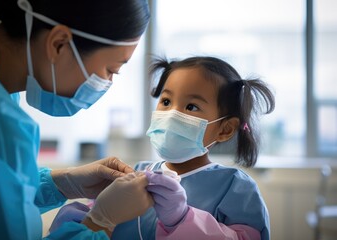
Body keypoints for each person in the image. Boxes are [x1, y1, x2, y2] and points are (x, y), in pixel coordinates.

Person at [0, 0, 152, 239]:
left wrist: (63, 183)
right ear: (58, 44)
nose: (108, 83)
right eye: (111, 69)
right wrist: (101, 221)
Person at [54, 56, 275, 239]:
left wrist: (182, 218)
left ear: (225, 129)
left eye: (191, 106)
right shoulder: (138, 172)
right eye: (166, 101)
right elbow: (88, 227)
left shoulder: (235, 187)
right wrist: (95, 212)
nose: (171, 114)